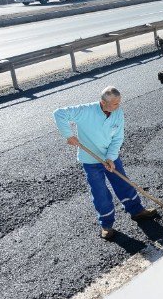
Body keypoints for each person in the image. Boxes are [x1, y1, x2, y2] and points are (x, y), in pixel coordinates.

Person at [53, 87, 157, 240]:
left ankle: (136, 211)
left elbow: (118, 138)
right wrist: (68, 135)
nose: (118, 106)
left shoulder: (118, 113)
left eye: (119, 103)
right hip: (91, 161)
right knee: (100, 192)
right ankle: (106, 225)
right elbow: (59, 113)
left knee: (123, 183)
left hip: (111, 157)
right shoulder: (85, 111)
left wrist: (111, 157)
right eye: (114, 104)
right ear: (103, 102)